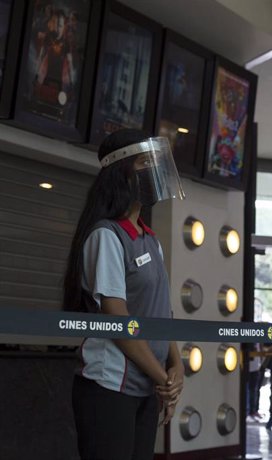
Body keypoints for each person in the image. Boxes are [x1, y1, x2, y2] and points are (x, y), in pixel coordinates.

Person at [63, 129, 186, 460]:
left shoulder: (150, 239)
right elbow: (117, 318)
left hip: (148, 385)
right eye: (146, 162)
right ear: (122, 170)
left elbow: (162, 313)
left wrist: (177, 368)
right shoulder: (106, 236)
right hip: (108, 389)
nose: (155, 170)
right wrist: (163, 378)